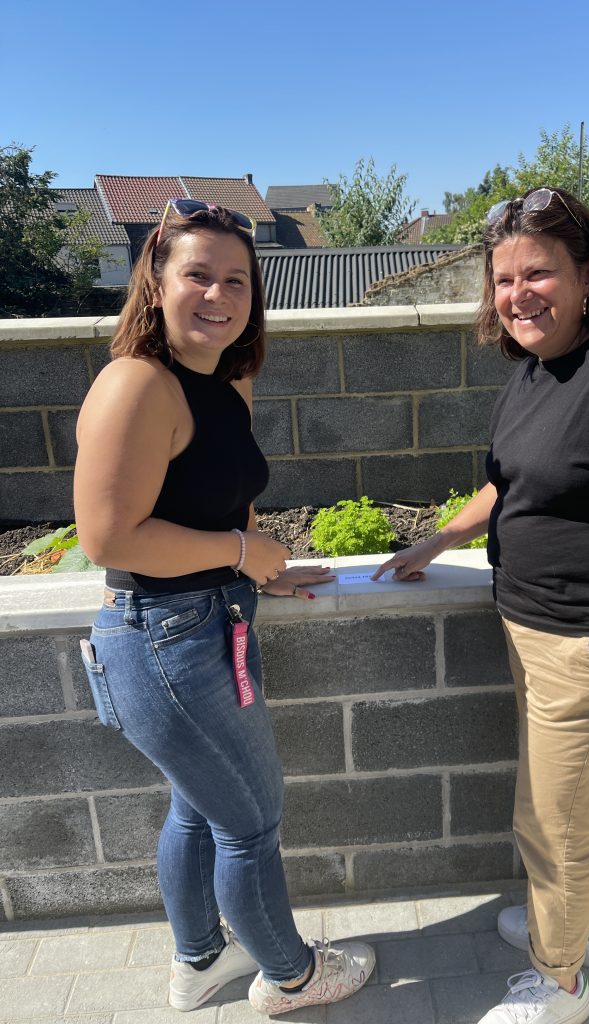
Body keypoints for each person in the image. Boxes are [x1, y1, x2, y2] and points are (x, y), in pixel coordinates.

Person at [372, 186, 589, 1024]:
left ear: (587, 271)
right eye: (504, 279)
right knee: (571, 803)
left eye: (540, 273)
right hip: (534, 630)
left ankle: (561, 982)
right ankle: (588, 924)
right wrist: (438, 541)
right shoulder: (537, 371)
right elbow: (510, 482)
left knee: (549, 822)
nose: (519, 293)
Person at [74, 199, 375, 1015]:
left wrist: (264, 568)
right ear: (156, 282)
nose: (218, 293)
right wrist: (244, 556)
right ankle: (290, 977)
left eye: (235, 279)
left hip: (209, 626)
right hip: (161, 641)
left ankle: (199, 961)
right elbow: (108, 536)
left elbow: (224, 500)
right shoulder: (135, 383)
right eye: (197, 274)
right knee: (250, 822)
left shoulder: (226, 382)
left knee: (201, 809)